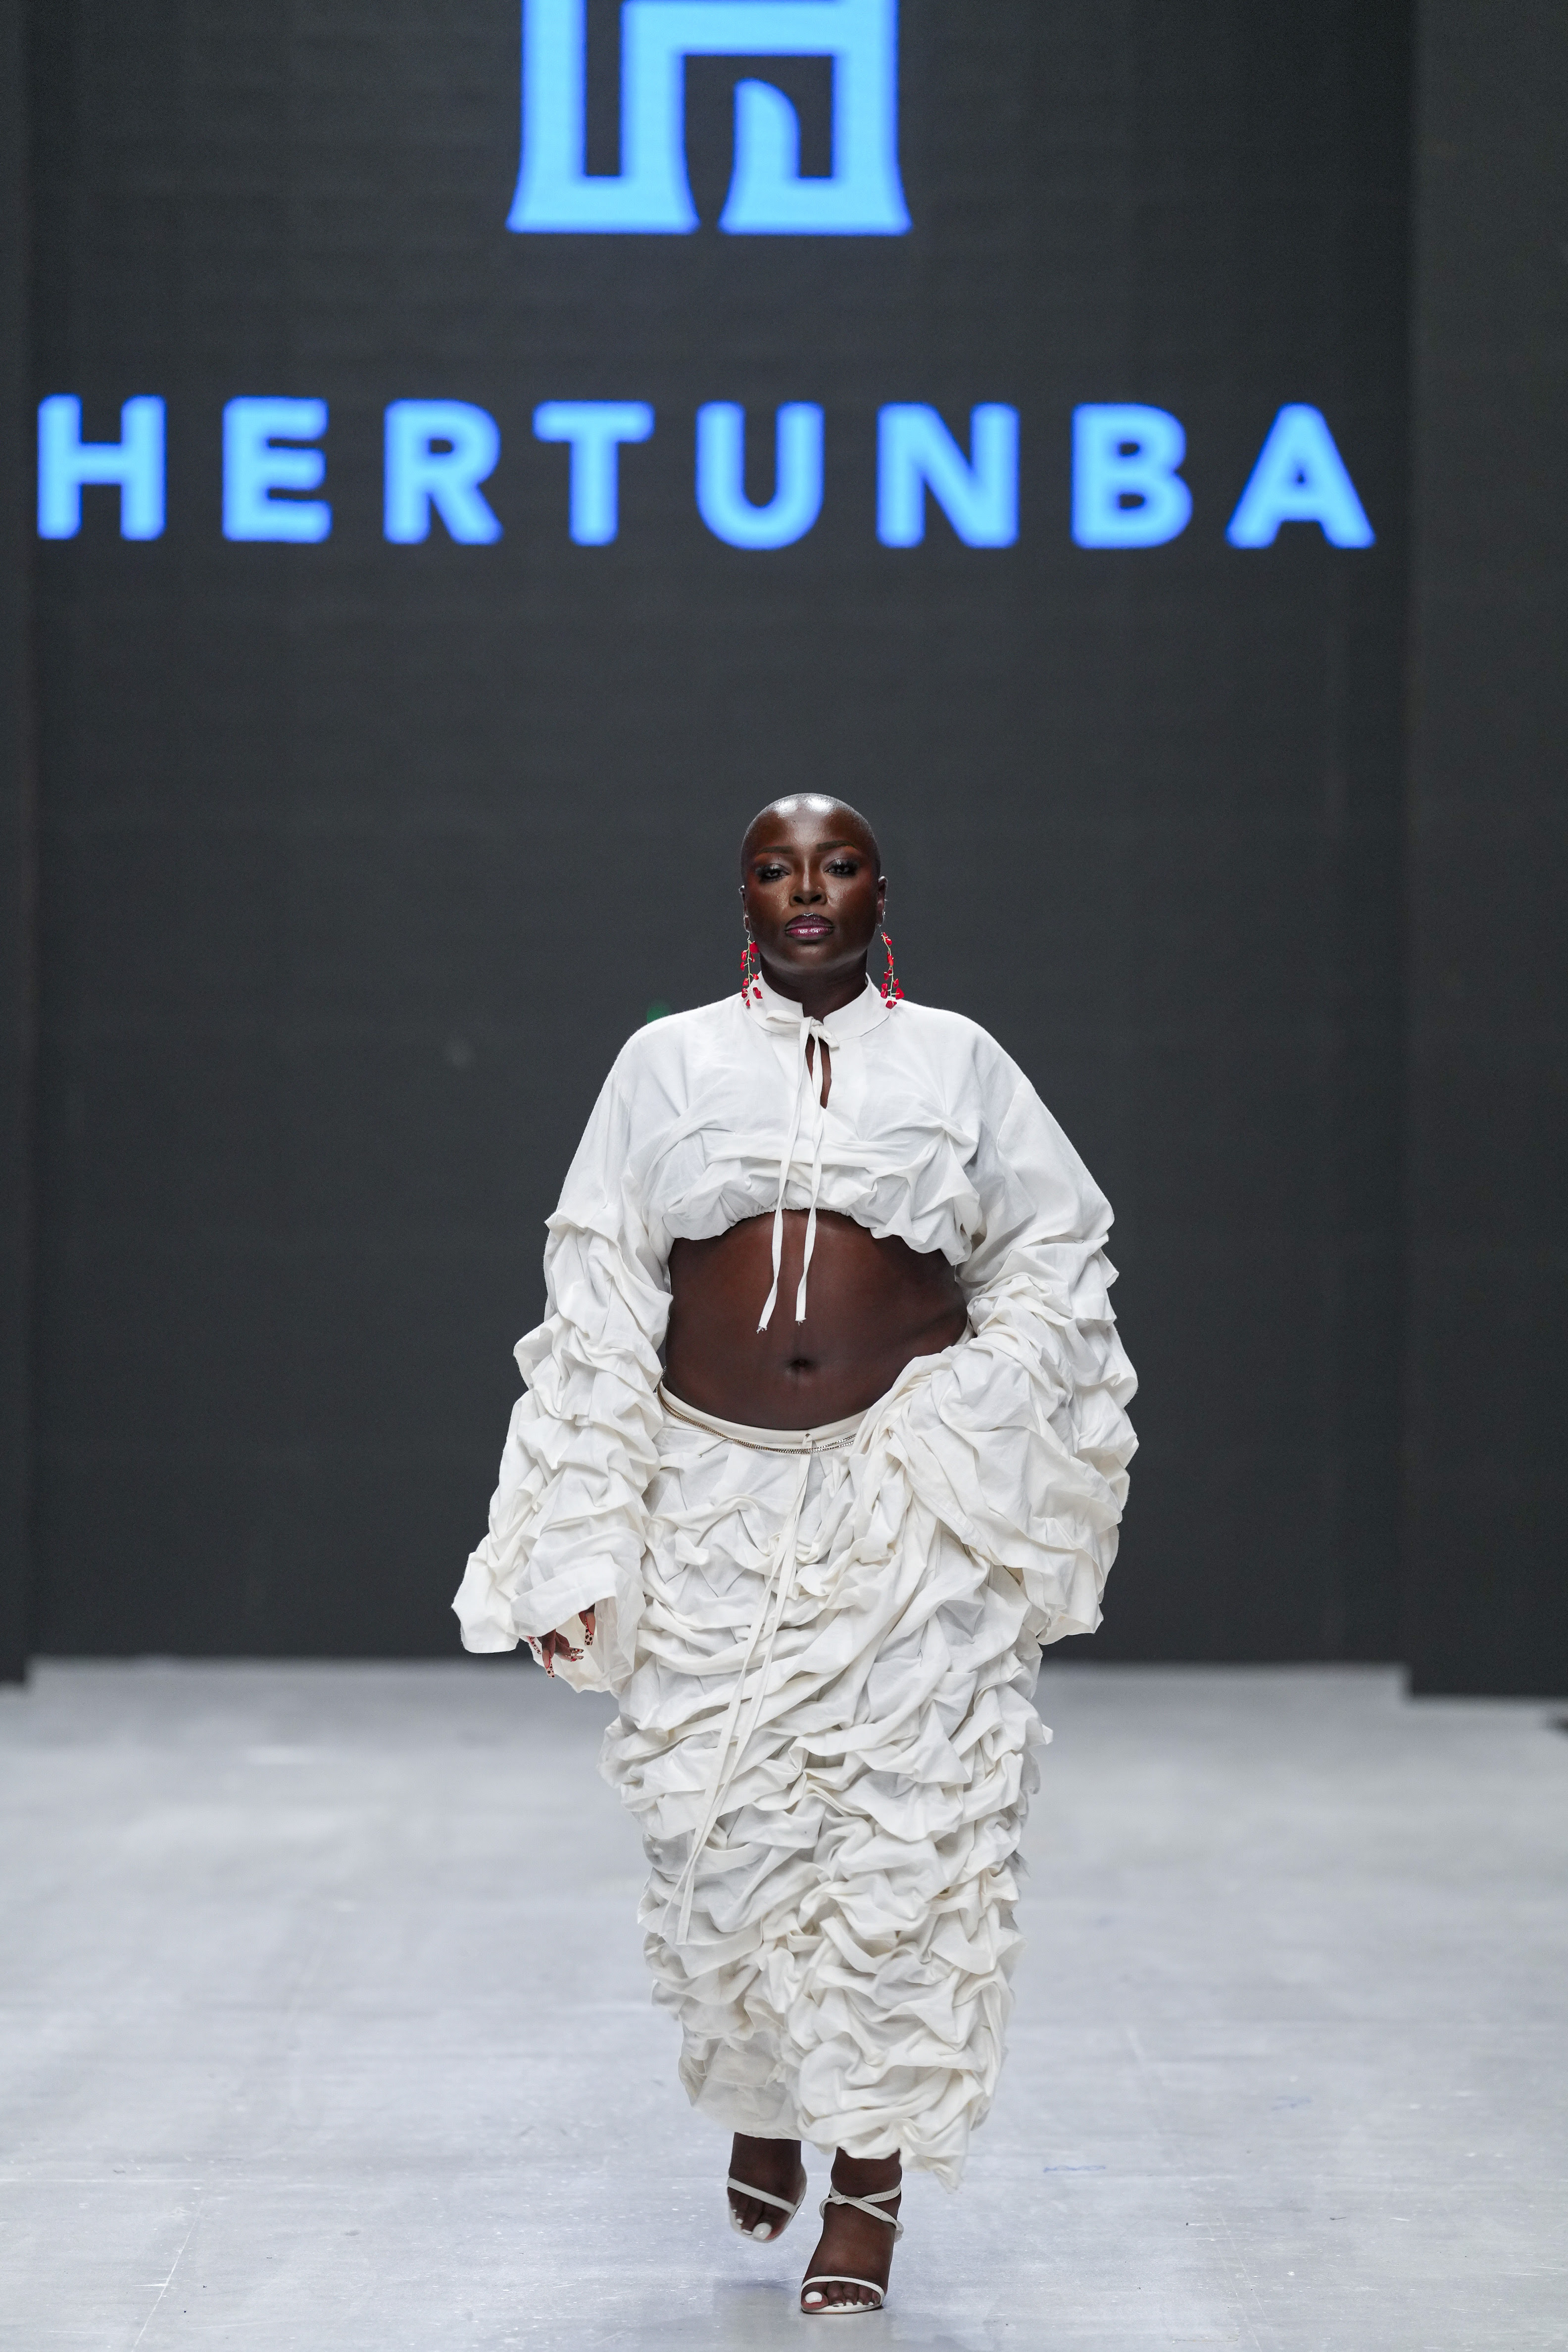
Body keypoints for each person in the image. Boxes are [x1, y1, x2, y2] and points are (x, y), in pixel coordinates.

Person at [454, 794, 1136, 2315]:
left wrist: (984, 1395)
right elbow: (598, 1290)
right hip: (711, 1497)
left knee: (909, 1848)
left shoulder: (958, 1060)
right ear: (746, 897)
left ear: (881, 892)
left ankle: (868, 2188)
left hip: (904, 1501)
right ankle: (766, 2091)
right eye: (777, 867)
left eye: (837, 865)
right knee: (722, 1836)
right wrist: (577, 1535)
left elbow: (1055, 1242)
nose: (807, 887)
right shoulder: (666, 1065)